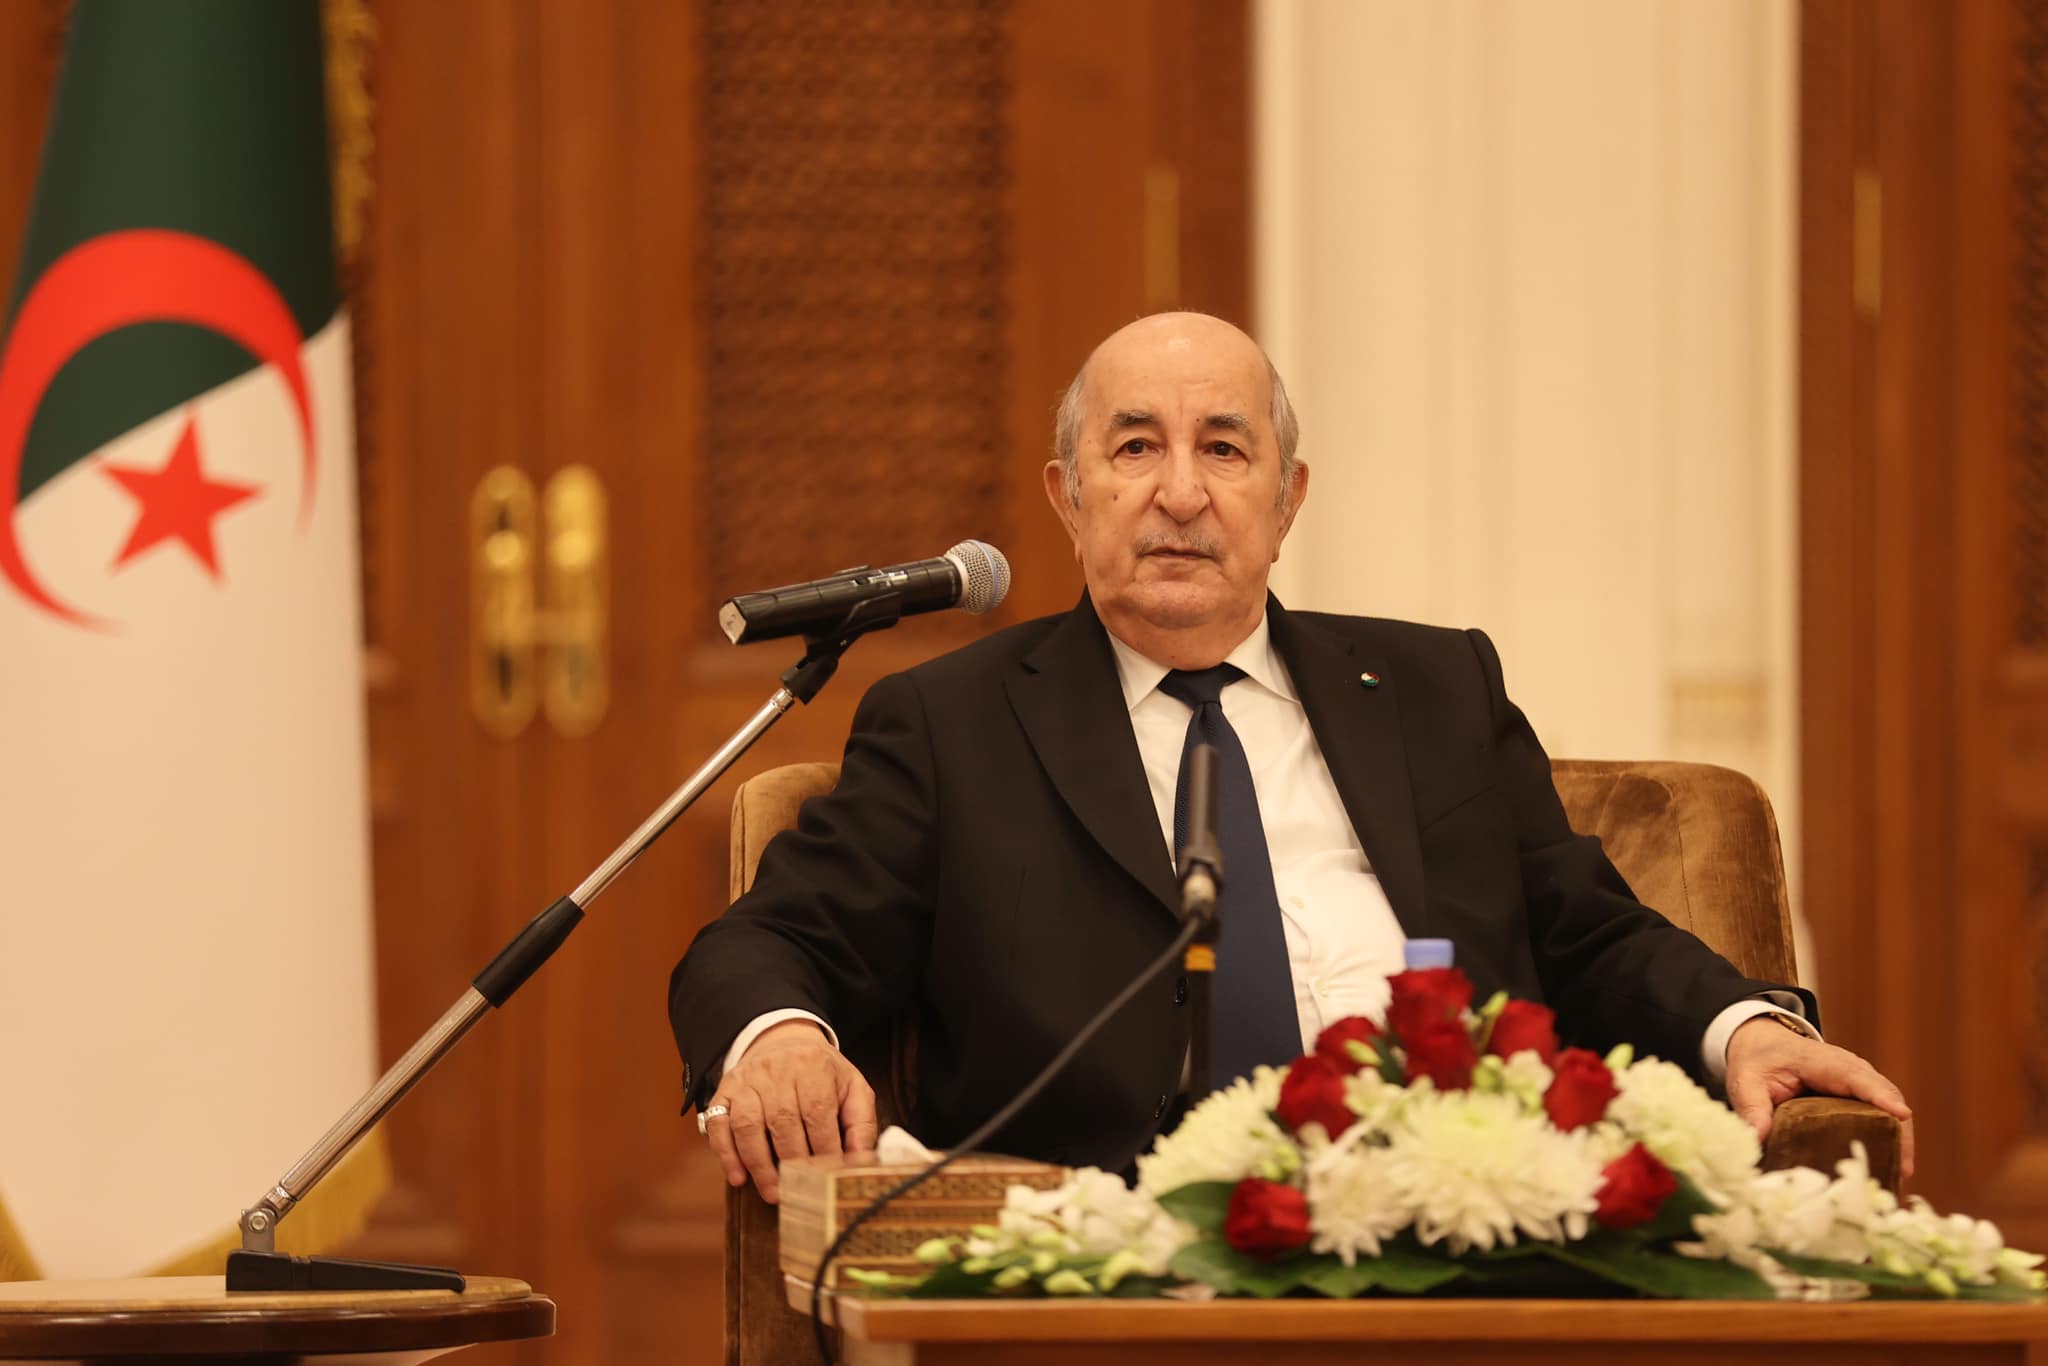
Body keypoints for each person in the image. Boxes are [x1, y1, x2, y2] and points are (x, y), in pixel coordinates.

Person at [668, 312, 1913, 1204]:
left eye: (1223, 448)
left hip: (1450, 1227)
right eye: (1134, 447)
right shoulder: (953, 721)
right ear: (1065, 493)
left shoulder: (1432, 687)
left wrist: (1742, 1026)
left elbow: (1583, 929)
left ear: (1287, 496)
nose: (1179, 492)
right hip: (1115, 1255)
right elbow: (769, 943)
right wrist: (776, 1037)